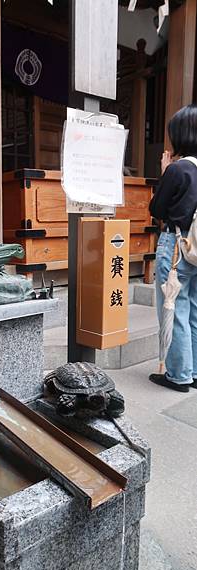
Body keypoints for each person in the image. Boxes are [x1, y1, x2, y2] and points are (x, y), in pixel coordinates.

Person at [149, 104, 197, 392]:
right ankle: (193, 371)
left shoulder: (179, 169)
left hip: (176, 246)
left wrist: (165, 172)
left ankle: (178, 375)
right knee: (193, 309)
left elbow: (158, 208)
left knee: (174, 307)